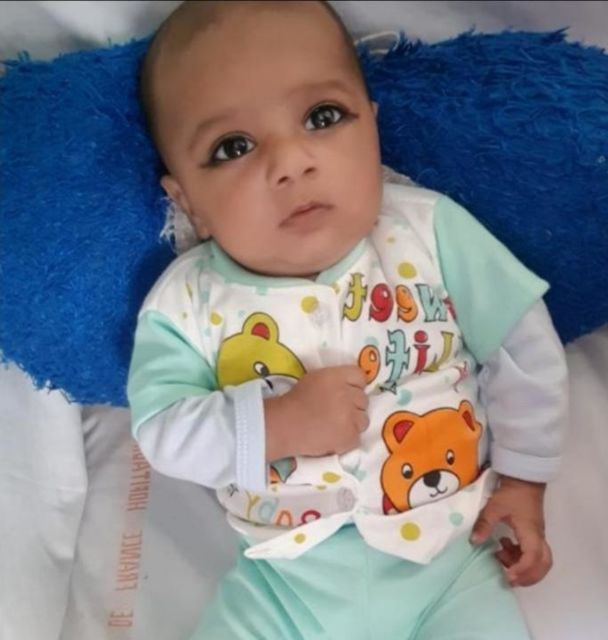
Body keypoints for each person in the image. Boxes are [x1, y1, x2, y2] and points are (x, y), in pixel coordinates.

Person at [127, 1, 568, 638]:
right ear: (187, 200)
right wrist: (274, 425)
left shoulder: (429, 232)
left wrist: (526, 479)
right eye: (233, 147)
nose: (291, 161)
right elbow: (162, 430)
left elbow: (522, 346)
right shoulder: (187, 302)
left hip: (451, 564)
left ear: (373, 129)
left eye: (323, 117)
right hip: (284, 585)